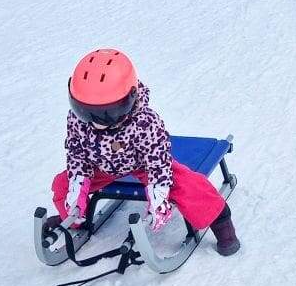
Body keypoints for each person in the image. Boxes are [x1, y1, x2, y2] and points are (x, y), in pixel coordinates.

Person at [47, 49, 239, 255]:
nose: (96, 123)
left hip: (143, 164)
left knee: (189, 185)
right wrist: (76, 198)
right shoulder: (77, 120)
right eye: (85, 112)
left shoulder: (145, 122)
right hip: (99, 166)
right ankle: (75, 219)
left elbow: (158, 163)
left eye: (106, 114)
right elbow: (77, 154)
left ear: (128, 100)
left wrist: (158, 198)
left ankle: (221, 220)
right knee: (62, 184)